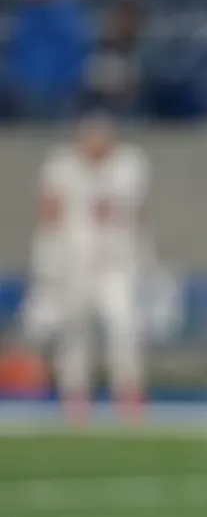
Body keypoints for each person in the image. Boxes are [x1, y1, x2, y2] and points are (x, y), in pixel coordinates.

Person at [25, 114, 149, 423]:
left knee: (125, 326)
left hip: (115, 263)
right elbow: (50, 209)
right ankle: (76, 396)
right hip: (72, 262)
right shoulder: (62, 164)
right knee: (73, 331)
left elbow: (116, 209)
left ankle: (129, 394)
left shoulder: (128, 163)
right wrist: (48, 258)